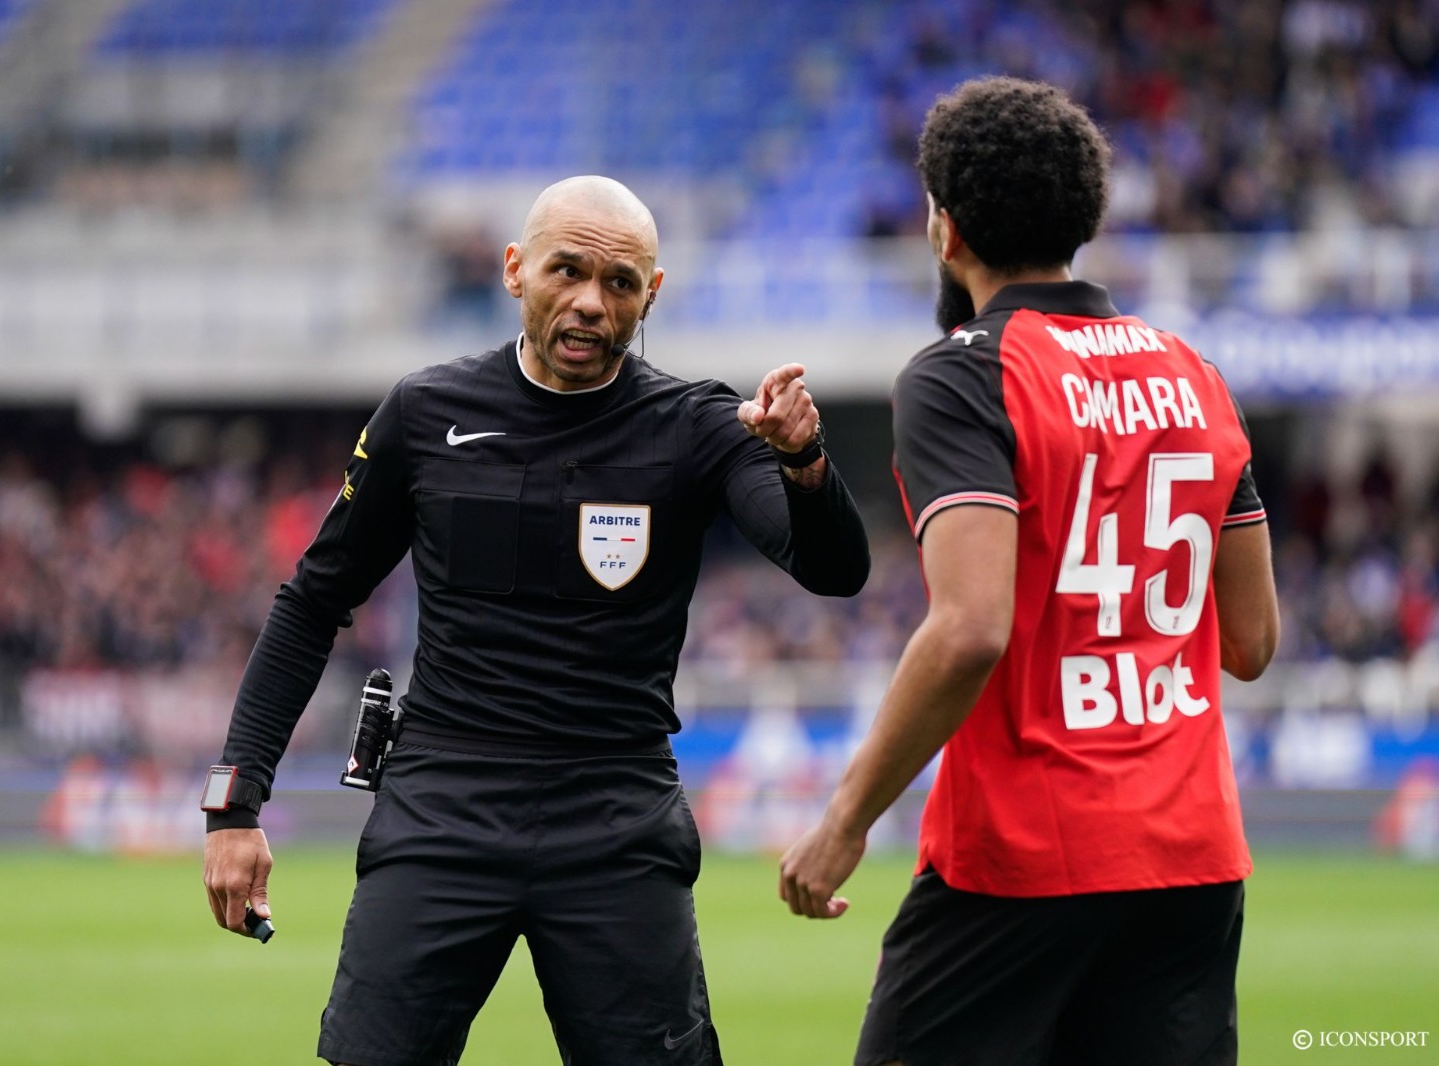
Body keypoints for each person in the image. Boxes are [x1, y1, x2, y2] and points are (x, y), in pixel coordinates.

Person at [201, 175, 871, 1066]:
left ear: (652, 295)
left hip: (616, 816)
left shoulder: (696, 425)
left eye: (621, 284)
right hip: (443, 806)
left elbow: (833, 569)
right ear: (516, 271)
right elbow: (311, 602)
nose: (592, 303)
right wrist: (234, 808)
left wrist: (804, 462)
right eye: (568, 272)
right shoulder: (426, 412)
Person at [777, 77, 1279, 1066]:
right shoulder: (1195, 373)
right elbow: (1252, 643)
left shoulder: (962, 373)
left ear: (942, 226)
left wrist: (842, 821)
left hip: (1023, 859)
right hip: (1192, 859)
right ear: (1083, 219)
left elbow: (968, 629)